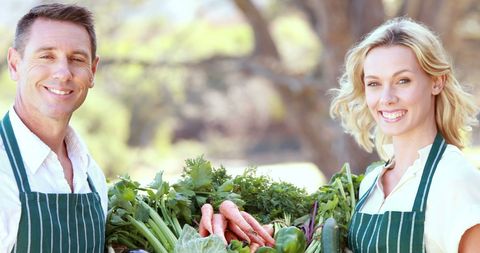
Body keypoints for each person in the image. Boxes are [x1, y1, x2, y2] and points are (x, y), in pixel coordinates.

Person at [330, 17, 480, 252]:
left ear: (436, 82)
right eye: (374, 83)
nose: (387, 98)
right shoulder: (371, 183)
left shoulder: (454, 180)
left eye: (403, 80)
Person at [0, 3, 107, 252]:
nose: (63, 72)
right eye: (47, 56)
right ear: (15, 64)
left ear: (92, 71)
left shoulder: (92, 176)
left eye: (77, 59)